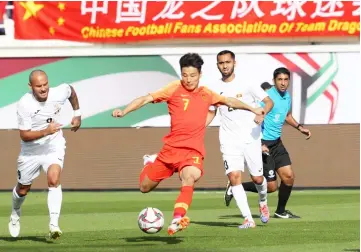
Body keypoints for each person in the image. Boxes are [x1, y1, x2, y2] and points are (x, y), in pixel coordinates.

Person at [112, 53, 264, 235]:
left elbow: (229, 100)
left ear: (199, 74)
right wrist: (124, 111)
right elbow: (145, 99)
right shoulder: (173, 89)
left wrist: (252, 108)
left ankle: (177, 218)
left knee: (189, 177)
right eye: (185, 75)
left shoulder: (206, 93)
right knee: (144, 187)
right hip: (170, 150)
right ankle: (149, 162)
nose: (188, 80)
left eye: (192, 76)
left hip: (192, 152)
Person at [9, 70, 82, 239]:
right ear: (31, 86)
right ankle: (15, 213)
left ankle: (54, 225)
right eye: (38, 86)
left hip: (53, 146)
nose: (43, 89)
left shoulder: (58, 92)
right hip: (31, 151)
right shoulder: (24, 104)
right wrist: (45, 131)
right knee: (22, 189)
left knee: (54, 179)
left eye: (45, 84)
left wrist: (77, 114)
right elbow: (25, 135)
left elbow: (71, 90)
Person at [206, 50, 274, 228]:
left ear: (234, 63)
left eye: (228, 62)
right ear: (217, 65)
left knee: (258, 178)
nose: (225, 66)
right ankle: (248, 219)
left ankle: (263, 201)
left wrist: (263, 114)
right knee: (234, 176)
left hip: (250, 137)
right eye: (221, 63)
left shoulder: (247, 83)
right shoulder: (213, 88)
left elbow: (268, 102)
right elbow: (212, 112)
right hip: (228, 140)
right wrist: (198, 127)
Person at [241, 67, 312, 218]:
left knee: (289, 177)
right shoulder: (267, 98)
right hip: (263, 144)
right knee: (272, 187)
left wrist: (300, 128)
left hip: (277, 143)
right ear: (274, 81)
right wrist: (259, 142)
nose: (283, 83)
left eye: (286, 80)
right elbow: (254, 118)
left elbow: (287, 115)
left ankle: (280, 211)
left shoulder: (287, 97)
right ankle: (237, 187)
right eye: (279, 79)